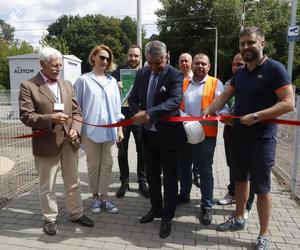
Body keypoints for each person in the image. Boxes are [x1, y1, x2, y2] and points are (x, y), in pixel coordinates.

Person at [205, 27, 294, 250]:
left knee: (262, 189)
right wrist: (209, 111)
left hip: (262, 140)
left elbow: (288, 103)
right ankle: (239, 218)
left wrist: (256, 116)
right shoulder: (241, 72)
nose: (245, 47)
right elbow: (225, 95)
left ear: (262, 44)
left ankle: (263, 235)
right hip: (239, 137)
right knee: (240, 180)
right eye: (242, 44)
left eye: (250, 43)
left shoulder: (275, 69)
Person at [19, 47, 94, 236]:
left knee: (73, 181)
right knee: (48, 185)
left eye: (60, 64)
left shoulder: (67, 84)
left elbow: (77, 112)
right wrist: (49, 119)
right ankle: (50, 218)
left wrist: (76, 130)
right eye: (54, 65)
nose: (59, 68)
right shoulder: (28, 86)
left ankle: (76, 213)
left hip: (69, 142)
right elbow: (26, 116)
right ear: (42, 64)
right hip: (46, 143)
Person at [128, 40, 186, 239]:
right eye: (150, 63)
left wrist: (149, 114)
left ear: (166, 57)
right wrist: (138, 114)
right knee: (152, 176)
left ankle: (167, 216)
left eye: (158, 63)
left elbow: (174, 102)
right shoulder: (142, 74)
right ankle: (156, 208)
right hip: (147, 135)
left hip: (168, 136)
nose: (154, 67)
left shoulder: (175, 74)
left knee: (170, 178)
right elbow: (133, 98)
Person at [177, 53, 227, 226]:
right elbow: (176, 105)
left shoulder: (215, 83)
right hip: (184, 135)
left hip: (206, 137)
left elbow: (222, 105)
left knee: (205, 172)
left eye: (203, 64)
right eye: (197, 63)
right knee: (184, 167)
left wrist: (223, 115)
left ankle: (206, 205)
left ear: (209, 66)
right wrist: (183, 116)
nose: (200, 66)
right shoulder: (183, 83)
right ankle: (184, 195)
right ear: (193, 65)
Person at [74, 44, 124, 215]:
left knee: (107, 165)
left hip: (109, 131)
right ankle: (94, 198)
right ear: (93, 57)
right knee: (93, 165)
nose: (105, 61)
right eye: (101, 57)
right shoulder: (83, 80)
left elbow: (117, 108)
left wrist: (119, 129)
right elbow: (77, 107)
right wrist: (77, 130)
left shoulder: (112, 82)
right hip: (90, 132)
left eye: (107, 58)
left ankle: (104, 197)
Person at [217, 53, 255, 220]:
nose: (236, 67)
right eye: (234, 64)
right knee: (233, 165)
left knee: (248, 171)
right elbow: (223, 102)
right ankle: (233, 193)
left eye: (239, 64)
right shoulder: (228, 84)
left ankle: (247, 205)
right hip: (230, 132)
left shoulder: (251, 83)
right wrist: (224, 113)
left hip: (249, 134)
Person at [113, 45, 149, 199]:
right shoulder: (117, 74)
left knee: (142, 151)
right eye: (131, 55)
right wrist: (115, 87)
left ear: (141, 57)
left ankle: (142, 181)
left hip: (139, 117)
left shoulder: (146, 73)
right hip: (122, 118)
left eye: (136, 56)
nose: (133, 58)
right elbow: (109, 95)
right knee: (122, 152)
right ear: (127, 56)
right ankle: (124, 182)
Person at [178, 52, 201, 189]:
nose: (184, 63)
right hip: (179, 123)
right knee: (183, 157)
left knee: (197, 154)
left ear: (191, 63)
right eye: (181, 61)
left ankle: (196, 175)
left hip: (197, 124)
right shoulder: (176, 78)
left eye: (186, 61)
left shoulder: (196, 79)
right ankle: (184, 182)